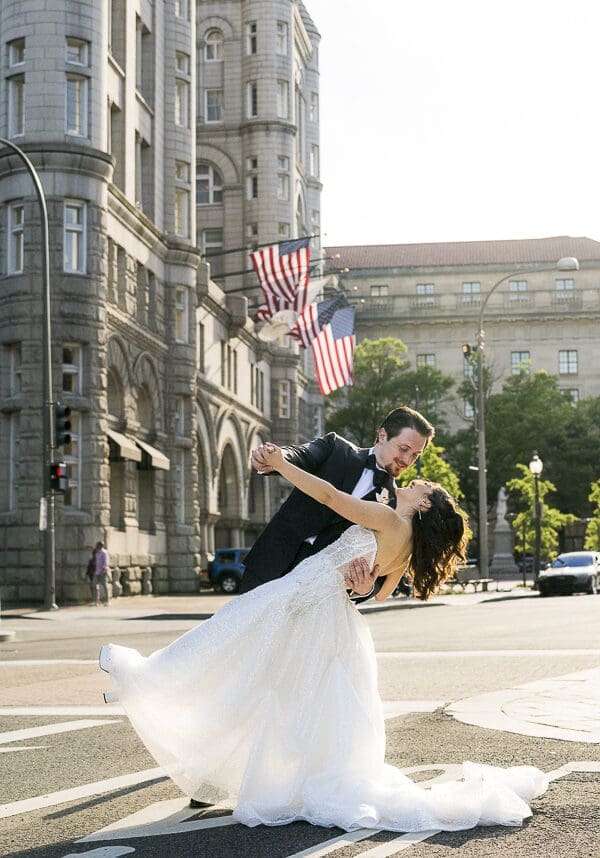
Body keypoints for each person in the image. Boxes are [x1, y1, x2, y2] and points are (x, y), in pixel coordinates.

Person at [99, 445, 548, 833]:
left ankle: (147, 678)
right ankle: (269, 771)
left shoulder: (390, 519)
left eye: (422, 484)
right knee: (279, 686)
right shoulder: (407, 544)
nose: (414, 480)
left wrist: (281, 464)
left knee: (224, 642)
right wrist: (361, 580)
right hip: (326, 612)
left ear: (425, 505)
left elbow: (331, 498)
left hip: (302, 598)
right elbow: (382, 588)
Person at [239, 406, 435, 601]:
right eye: (404, 449)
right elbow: (300, 454)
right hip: (268, 565)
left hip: (317, 595)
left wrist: (366, 589)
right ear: (382, 435)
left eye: (415, 455)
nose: (407, 460)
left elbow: (382, 575)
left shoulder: (396, 504)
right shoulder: (336, 448)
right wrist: (274, 458)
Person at [91, 541, 111, 607]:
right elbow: (95, 561)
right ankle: (96, 601)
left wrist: (104, 569)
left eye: (97, 545)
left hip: (103, 572)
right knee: (94, 585)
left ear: (100, 545)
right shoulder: (97, 552)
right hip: (96, 572)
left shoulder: (104, 552)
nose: (96, 546)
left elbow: (106, 562)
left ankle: (107, 601)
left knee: (105, 586)